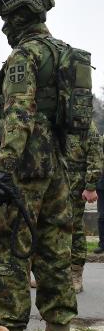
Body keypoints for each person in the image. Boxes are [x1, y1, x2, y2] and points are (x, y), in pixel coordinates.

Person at [0, 0, 82, 331]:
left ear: (18, 17)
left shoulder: (24, 57)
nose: (4, 27)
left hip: (24, 169)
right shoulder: (65, 54)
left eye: (6, 18)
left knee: (9, 251)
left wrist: (2, 171)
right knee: (55, 249)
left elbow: (19, 116)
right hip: (57, 167)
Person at [65, 123, 101, 293]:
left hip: (75, 182)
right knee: (49, 230)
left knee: (74, 227)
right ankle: (55, 275)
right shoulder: (49, 114)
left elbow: (95, 151)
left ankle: (75, 274)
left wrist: (91, 185)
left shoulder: (81, 120)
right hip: (52, 181)